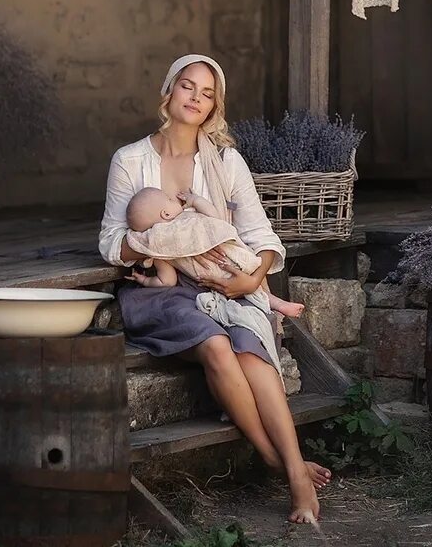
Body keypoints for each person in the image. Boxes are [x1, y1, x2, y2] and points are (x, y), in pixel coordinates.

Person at [98, 54, 329, 524]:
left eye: (207, 93)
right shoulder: (130, 160)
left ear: (214, 107)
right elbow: (109, 243)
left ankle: (296, 475)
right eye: (187, 86)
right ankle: (281, 464)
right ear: (169, 91)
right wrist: (155, 243)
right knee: (218, 344)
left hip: (224, 282)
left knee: (250, 347)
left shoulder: (226, 161)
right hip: (160, 289)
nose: (195, 98)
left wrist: (251, 278)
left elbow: (263, 238)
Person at [124, 186, 307, 319]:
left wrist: (146, 280)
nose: (176, 200)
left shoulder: (158, 248)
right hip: (235, 256)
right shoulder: (188, 217)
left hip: (211, 277)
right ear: (166, 214)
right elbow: (214, 216)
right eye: (171, 200)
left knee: (250, 292)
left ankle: (278, 305)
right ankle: (279, 304)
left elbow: (168, 280)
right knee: (252, 286)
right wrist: (194, 200)